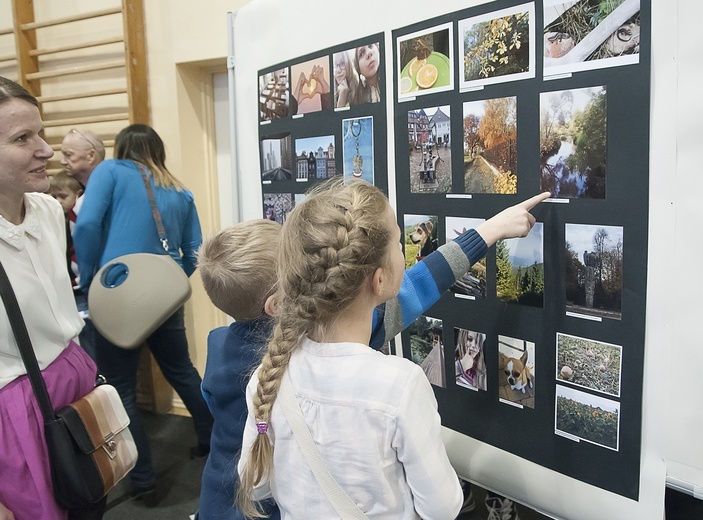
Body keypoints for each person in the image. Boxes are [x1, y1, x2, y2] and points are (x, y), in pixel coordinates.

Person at [236, 179, 548, 518]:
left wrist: (488, 231)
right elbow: (442, 508)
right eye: (400, 243)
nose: (406, 252)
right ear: (380, 280)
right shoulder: (400, 386)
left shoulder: (267, 378)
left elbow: (256, 483)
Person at [73, 123, 214, 505]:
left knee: (120, 387)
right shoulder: (180, 191)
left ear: (121, 148)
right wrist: (166, 287)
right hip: (163, 302)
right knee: (182, 372)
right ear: (159, 151)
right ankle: (210, 441)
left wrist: (90, 278)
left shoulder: (110, 171)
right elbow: (194, 251)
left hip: (116, 295)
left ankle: (144, 482)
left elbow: (85, 224)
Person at [0, 76, 105, 519]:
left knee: (90, 498)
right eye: (23, 138)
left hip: (75, 376)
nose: (45, 149)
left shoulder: (46, 209)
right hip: (17, 405)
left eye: (40, 132)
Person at [48, 170, 84, 289]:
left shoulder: (80, 219)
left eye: (63, 196)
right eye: (54, 196)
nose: (58, 201)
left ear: (78, 194)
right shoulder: (53, 218)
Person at [59, 127, 105, 214]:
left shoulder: (105, 194)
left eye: (68, 155)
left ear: (91, 156)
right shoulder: (80, 194)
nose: (62, 161)